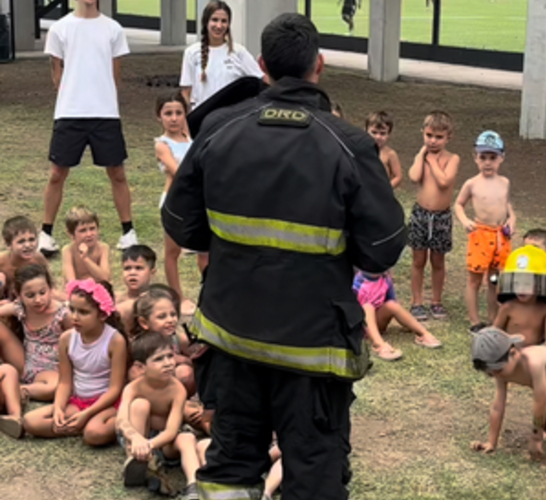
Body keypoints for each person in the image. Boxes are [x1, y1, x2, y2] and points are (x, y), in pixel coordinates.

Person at [162, 13, 405, 500]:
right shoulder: (350, 144)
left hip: (232, 339)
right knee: (314, 475)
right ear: (320, 65)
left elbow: (180, 222)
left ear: (263, 65)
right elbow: (383, 246)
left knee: (229, 469)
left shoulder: (218, 126)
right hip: (312, 350)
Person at [39, 0, 138, 255]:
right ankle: (45, 234)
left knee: (117, 173)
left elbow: (116, 75)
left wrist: (104, 97)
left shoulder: (113, 29)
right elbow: (56, 74)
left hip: (105, 114)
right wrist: (72, 95)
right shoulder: (60, 28)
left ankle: (128, 232)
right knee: (57, 174)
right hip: (69, 112)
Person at [23, 279, 128, 446]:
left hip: (106, 403)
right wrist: (58, 408)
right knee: (30, 421)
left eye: (83, 312)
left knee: (94, 434)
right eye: (72, 310)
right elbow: (65, 382)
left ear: (102, 314)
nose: (75, 317)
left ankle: (114, 421)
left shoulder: (115, 341)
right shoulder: (67, 338)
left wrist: (87, 414)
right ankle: (77, 425)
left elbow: (115, 389)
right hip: (78, 401)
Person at [470, 327, 546, 459]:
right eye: (490, 373)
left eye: (498, 370)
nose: (495, 375)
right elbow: (498, 406)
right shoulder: (501, 373)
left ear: (513, 353)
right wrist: (491, 442)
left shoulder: (534, 362)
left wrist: (537, 437)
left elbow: (540, 400)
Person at [116, 332, 201, 500]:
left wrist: (149, 445)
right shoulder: (133, 388)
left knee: (187, 438)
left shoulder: (177, 390)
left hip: (164, 442)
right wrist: (136, 439)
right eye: (159, 359)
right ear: (140, 367)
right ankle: (136, 462)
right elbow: (121, 420)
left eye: (170, 356)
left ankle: (194, 486)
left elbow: (171, 431)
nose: (168, 363)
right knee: (140, 405)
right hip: (139, 439)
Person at [454, 131, 515, 333]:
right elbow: (459, 205)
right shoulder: (471, 183)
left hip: (500, 236)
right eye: (483, 157)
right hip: (480, 234)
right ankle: (474, 320)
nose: (487, 163)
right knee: (475, 280)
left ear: (502, 158)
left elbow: (508, 207)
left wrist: (512, 220)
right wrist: (465, 221)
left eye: (492, 158)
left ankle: (493, 318)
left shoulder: (505, 182)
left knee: (495, 279)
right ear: (475, 157)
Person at [407, 111, 460, 321]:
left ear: (448, 137)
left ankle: (436, 301)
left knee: (438, 260)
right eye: (429, 135)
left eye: (438, 137)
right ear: (423, 133)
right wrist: (421, 156)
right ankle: (416, 301)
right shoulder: (422, 156)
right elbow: (413, 176)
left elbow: (445, 182)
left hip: (441, 217)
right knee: (418, 259)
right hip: (421, 214)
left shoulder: (452, 158)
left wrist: (432, 160)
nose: (433, 141)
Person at [153, 91, 200, 315]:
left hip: (195, 202)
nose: (173, 118)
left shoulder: (193, 140)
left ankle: (206, 292)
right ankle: (177, 296)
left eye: (178, 113)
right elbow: (179, 172)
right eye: (168, 113)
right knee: (173, 252)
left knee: (204, 251)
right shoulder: (162, 145)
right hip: (174, 202)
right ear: (159, 117)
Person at [0, 264, 71, 403]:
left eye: (42, 292)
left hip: (52, 367)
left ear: (50, 289)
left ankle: (18, 391)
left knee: (54, 387)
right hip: (25, 360)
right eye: (30, 295)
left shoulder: (62, 314)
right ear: (18, 295)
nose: (38, 300)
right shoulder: (21, 308)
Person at [180, 1, 263, 111]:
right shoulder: (191, 52)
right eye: (215, 20)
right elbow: (186, 92)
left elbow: (260, 80)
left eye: (224, 21)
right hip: (201, 118)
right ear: (206, 21)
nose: (219, 26)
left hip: (229, 119)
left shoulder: (239, 52)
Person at [353, 270, 441, 361]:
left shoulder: (385, 279)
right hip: (358, 325)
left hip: (377, 322)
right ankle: (378, 345)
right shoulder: (356, 282)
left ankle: (423, 334)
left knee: (392, 304)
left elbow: (391, 302)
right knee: (367, 307)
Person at [130, 285, 194, 397]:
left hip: (175, 389)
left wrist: (182, 360)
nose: (170, 320)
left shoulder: (178, 339)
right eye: (162, 317)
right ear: (144, 323)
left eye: (173, 314)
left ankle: (181, 403)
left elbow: (196, 364)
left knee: (185, 372)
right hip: (149, 393)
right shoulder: (139, 344)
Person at [494, 246, 546, 347]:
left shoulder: (544, 309)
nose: (521, 289)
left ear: (538, 285)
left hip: (534, 355)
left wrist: (541, 351)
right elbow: (494, 334)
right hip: (510, 353)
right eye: (517, 284)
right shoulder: (508, 307)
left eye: (527, 284)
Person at [0, 216, 49, 300]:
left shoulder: (38, 259)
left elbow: (50, 285)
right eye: (21, 241)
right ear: (8, 245)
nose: (28, 245)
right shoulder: (2, 260)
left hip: (31, 300)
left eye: (31, 239)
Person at [61, 206, 111, 283]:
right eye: (82, 230)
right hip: (78, 292)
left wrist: (86, 259)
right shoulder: (69, 251)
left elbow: (105, 278)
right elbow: (71, 282)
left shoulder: (103, 248)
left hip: (99, 290)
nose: (89, 234)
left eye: (92, 228)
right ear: (71, 234)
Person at [116, 245, 157, 334]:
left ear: (152, 272)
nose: (132, 273)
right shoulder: (116, 299)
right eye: (127, 268)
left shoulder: (156, 302)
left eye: (139, 268)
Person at [365, 111, 402, 188]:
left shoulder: (390, 154)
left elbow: (398, 177)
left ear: (389, 134)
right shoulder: (361, 151)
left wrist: (387, 188)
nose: (378, 137)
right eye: (374, 132)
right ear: (366, 131)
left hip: (382, 192)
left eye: (382, 133)